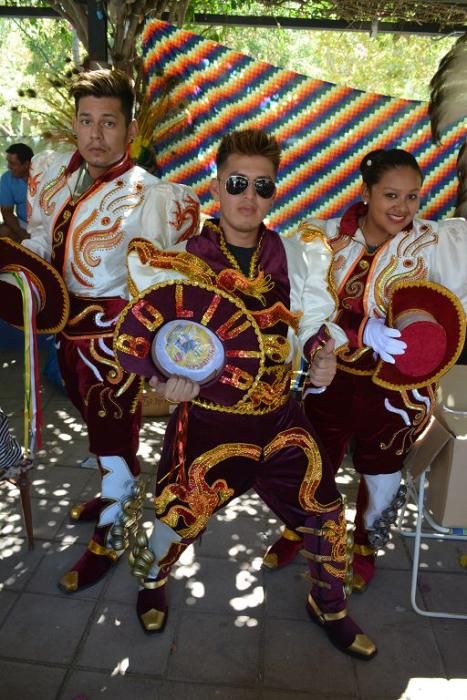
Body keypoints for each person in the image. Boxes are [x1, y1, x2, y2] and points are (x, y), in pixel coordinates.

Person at [116, 128, 377, 659]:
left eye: (263, 186)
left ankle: (329, 604)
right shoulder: (184, 258)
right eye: (237, 182)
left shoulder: (293, 253)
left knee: (326, 512)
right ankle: (152, 584)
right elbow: (152, 339)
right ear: (217, 184)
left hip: (281, 420)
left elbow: (312, 324)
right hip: (209, 425)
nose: (249, 197)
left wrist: (321, 357)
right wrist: (165, 381)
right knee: (175, 520)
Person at [1, 68, 200, 593]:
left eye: (108, 122)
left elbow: (165, 284)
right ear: (75, 123)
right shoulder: (54, 175)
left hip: (115, 344)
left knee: (115, 434)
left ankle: (115, 526)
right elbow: (43, 239)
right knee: (98, 430)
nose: (95, 134)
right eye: (87, 120)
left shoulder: (150, 196)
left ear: (130, 130)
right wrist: (24, 272)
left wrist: (161, 357)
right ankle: (118, 483)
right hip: (64, 335)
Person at [263, 148, 467, 592]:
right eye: (391, 195)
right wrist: (357, 330)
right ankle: (301, 529)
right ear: (365, 192)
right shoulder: (324, 239)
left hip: (394, 390)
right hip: (329, 376)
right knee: (313, 459)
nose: (403, 208)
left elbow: (452, 307)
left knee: (381, 472)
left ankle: (364, 545)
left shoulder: (435, 245)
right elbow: (302, 308)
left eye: (413, 197)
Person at [0, 143, 33, 242]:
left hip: (45, 225)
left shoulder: (43, 175)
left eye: (13, 164)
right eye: (8, 162)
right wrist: (20, 232)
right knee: (3, 231)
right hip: (23, 223)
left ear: (27, 164)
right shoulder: (7, 178)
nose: (9, 167)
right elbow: (6, 211)